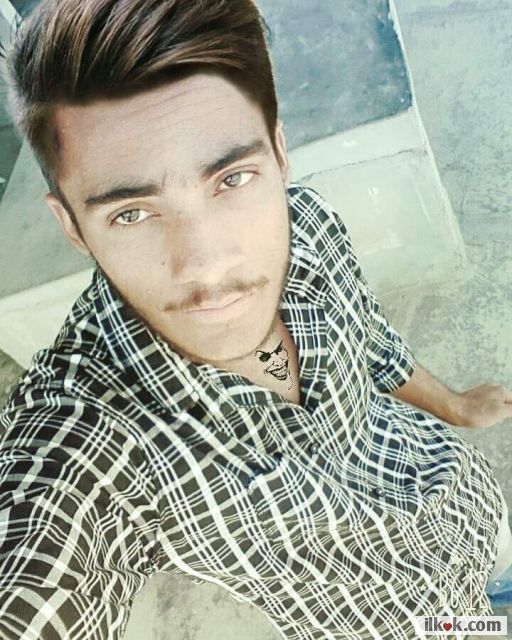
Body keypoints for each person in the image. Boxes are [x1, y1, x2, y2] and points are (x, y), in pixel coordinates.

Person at [0, 1, 511, 638]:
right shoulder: (95, 437)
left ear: (279, 154)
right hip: (402, 622)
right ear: (73, 226)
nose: (207, 263)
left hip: (466, 502)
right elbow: (39, 565)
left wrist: (455, 408)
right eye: (132, 213)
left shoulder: (311, 231)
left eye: (232, 179)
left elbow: (374, 345)